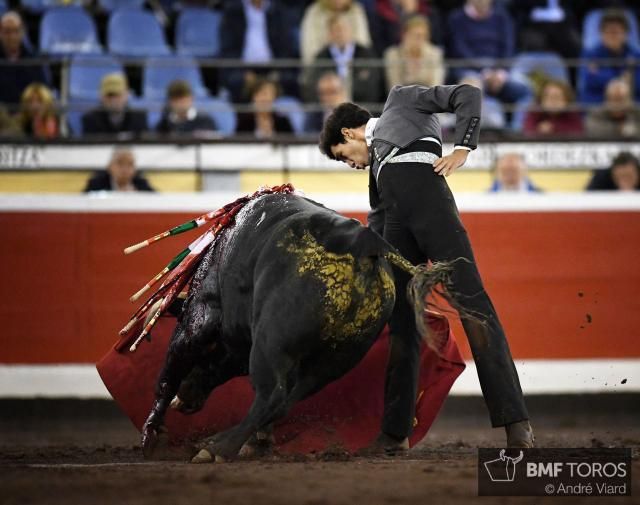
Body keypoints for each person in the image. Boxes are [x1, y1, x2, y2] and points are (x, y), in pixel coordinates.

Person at [319, 84, 534, 452]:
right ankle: (395, 432)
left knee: (475, 310)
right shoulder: (377, 175)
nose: (352, 164)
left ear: (348, 133)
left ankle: (517, 424)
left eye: (344, 156)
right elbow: (379, 222)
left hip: (434, 214)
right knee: (402, 324)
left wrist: (463, 147)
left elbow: (467, 94)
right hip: (399, 232)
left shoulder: (400, 100)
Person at [446, 0, 530, 106]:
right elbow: (459, 50)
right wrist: (485, 72)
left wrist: (501, 72)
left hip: (500, 67)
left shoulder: (502, 16)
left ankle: (520, 122)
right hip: (469, 67)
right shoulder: (456, 18)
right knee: (471, 89)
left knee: (526, 88)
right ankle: (476, 122)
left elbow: (508, 47)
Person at [307, 14, 382, 104]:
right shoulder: (321, 56)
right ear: (329, 33)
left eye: (344, 28)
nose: (340, 33)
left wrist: (345, 93)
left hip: (362, 108)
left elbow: (373, 87)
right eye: (336, 30)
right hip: (329, 110)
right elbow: (314, 87)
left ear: (351, 30)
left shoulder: (366, 54)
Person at [578, 9, 640, 105]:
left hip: (631, 106)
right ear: (601, 33)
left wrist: (605, 77)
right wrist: (622, 80)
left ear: (626, 33)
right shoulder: (590, 54)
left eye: (616, 32)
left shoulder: (636, 55)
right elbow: (590, 80)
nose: (612, 36)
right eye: (608, 32)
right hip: (599, 103)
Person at [0, 11, 50, 112]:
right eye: (7, 31)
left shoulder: (34, 61)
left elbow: (42, 89)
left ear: (22, 32)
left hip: (27, 114)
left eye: (16, 31)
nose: (12, 37)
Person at [383, 15, 444, 92]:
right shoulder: (393, 54)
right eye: (415, 35)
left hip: (428, 100)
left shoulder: (435, 53)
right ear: (404, 35)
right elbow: (394, 87)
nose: (420, 40)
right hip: (401, 100)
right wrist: (406, 54)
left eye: (424, 36)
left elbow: (436, 86)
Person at [301, 0, 372, 64]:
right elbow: (309, 50)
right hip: (322, 66)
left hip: (353, 66)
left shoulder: (356, 10)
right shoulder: (314, 12)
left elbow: (363, 43)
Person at [81, 73, 147, 138]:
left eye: (117, 94)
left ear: (127, 94)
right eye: (110, 95)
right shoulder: (90, 120)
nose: (113, 100)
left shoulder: (139, 118)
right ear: (101, 96)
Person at [84, 148, 154, 192]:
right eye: (120, 163)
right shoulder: (96, 185)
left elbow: (158, 201)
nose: (125, 169)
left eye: (130, 164)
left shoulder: (142, 185)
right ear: (109, 166)